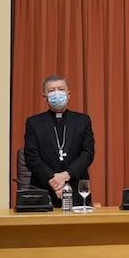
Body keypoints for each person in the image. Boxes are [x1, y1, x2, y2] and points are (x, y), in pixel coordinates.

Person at [24, 75, 94, 207]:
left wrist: (66, 175)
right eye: (51, 90)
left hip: (77, 188)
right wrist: (54, 181)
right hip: (43, 189)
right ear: (45, 96)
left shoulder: (82, 121)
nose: (57, 93)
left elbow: (88, 153)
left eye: (61, 89)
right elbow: (31, 157)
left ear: (68, 94)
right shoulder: (33, 123)